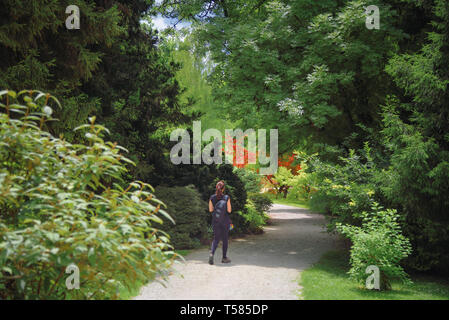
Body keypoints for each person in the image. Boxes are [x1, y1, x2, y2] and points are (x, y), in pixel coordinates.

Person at [208, 180, 232, 264]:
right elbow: (229, 210)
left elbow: (210, 210)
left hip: (215, 221)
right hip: (225, 221)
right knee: (225, 239)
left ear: (216, 187)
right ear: (223, 188)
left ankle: (211, 253)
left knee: (216, 239)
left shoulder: (212, 197)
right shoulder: (226, 197)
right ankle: (224, 258)